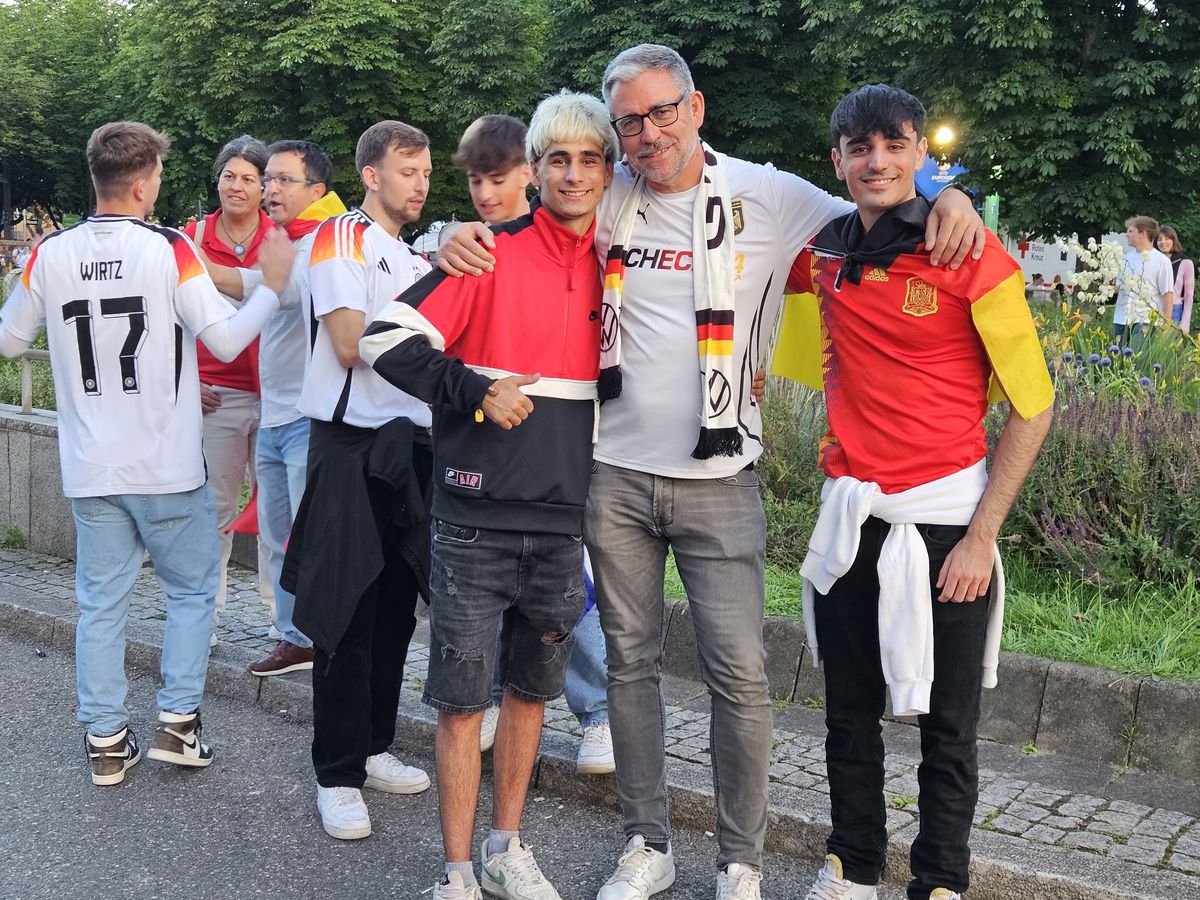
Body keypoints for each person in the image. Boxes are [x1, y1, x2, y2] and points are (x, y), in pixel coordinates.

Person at [439, 45, 986, 900]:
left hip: (722, 475)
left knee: (739, 673)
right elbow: (522, 222)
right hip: (612, 472)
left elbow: (873, 195)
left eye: (663, 113)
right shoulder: (608, 190)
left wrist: (944, 192)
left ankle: (740, 861)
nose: (647, 134)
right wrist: (453, 232)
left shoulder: (766, 193)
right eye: (630, 122)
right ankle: (646, 844)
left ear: (696, 108)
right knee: (629, 665)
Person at [787, 84, 1054, 900]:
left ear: (918, 156)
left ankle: (941, 881)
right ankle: (851, 865)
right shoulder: (820, 254)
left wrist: (982, 537)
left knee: (949, 728)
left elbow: (1034, 409)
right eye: (859, 149)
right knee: (847, 717)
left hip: (946, 527)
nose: (877, 162)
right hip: (853, 517)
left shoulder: (975, 254)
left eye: (895, 147)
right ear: (837, 160)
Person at [362, 88, 616, 900]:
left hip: (561, 521)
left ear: (609, 170)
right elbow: (384, 339)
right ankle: (458, 871)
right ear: (534, 171)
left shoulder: (620, 258)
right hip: (473, 520)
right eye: (557, 160)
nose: (574, 175)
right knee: (463, 705)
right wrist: (472, 387)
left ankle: (508, 848)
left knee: (532, 696)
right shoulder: (487, 252)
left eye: (590, 159)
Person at [0, 121, 294, 785]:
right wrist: (272, 287)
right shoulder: (170, 249)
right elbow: (222, 341)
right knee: (191, 592)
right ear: (141, 184)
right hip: (164, 465)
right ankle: (178, 724)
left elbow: (11, 344)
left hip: (91, 467)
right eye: (158, 175)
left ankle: (105, 740)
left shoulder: (52, 252)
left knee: (101, 605)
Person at [280, 120, 434, 841]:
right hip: (350, 448)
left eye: (427, 172)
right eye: (408, 170)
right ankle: (336, 774)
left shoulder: (409, 255)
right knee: (347, 613)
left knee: (398, 610)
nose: (421, 183)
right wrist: (446, 371)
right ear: (371, 175)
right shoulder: (341, 237)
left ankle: (373, 745)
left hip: (410, 447)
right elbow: (348, 345)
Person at [451, 112, 614, 775]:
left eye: (496, 178)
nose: (486, 194)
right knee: (497, 585)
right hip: (494, 458)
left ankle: (598, 709)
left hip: (584, 447)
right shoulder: (474, 246)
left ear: (525, 171)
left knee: (579, 584)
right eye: (474, 182)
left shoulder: (612, 230)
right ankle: (492, 696)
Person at [198, 140, 349, 676]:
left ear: (317, 190)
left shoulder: (325, 242)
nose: (270, 188)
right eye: (271, 179)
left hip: (307, 417)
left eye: (283, 180)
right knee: (278, 535)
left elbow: (272, 289)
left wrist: (186, 266)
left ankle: (310, 635)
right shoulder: (293, 238)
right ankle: (294, 636)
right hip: (275, 413)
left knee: (301, 536)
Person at [183, 135, 274, 641]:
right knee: (212, 510)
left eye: (248, 178)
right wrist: (182, 378)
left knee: (278, 511)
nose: (237, 187)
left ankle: (284, 623)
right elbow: (168, 317)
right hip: (215, 392)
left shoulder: (282, 236)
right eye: (228, 176)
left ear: (265, 187)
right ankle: (205, 619)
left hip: (275, 395)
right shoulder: (192, 237)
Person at [1113, 216, 1174, 350]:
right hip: (1121, 318)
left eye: (1130, 231)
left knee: (1137, 364)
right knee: (1116, 364)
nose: (1126, 235)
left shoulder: (1161, 261)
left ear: (1143, 233)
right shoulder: (1125, 258)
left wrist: (1166, 325)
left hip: (1145, 320)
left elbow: (1168, 294)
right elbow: (1119, 288)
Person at [1156, 225, 1194, 333]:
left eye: (1167, 238)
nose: (1163, 242)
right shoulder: (1154, 262)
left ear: (1174, 240)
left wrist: (1185, 322)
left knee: (1171, 347)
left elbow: (1188, 295)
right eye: (1159, 239)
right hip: (1155, 309)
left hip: (1175, 310)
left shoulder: (1185, 262)